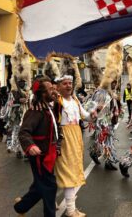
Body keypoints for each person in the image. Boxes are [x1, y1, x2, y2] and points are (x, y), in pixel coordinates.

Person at [15, 77, 58, 217]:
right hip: (40, 156)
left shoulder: (47, 106)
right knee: (49, 186)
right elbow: (24, 132)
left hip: (49, 154)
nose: (54, 90)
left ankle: (21, 207)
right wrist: (30, 145)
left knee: (40, 187)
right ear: (42, 93)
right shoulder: (35, 111)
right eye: (50, 89)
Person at [54, 75, 94, 217]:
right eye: (65, 83)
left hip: (76, 137)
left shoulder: (76, 100)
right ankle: (70, 210)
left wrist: (94, 113)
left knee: (66, 171)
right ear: (58, 86)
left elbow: (86, 116)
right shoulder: (56, 101)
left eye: (70, 83)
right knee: (68, 173)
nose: (69, 86)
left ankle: (51, 200)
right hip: (63, 138)